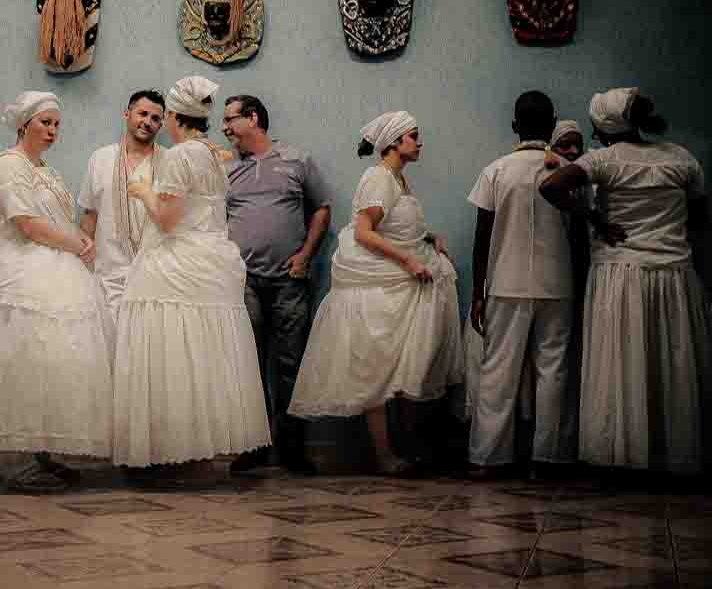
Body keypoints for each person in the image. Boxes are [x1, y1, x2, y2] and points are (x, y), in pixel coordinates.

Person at [0, 92, 113, 490]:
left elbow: (59, 219)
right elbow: (28, 225)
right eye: (44, 123)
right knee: (21, 358)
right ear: (23, 124)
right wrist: (79, 245)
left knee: (53, 361)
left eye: (56, 124)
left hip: (55, 264)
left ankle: (45, 453)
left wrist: (80, 245)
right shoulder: (7, 166)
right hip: (18, 268)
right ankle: (23, 454)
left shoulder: (46, 170)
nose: (52, 131)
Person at [541, 87, 709, 474]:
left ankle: (621, 454)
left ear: (603, 127)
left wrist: (595, 218)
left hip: (620, 273)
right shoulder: (681, 158)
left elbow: (550, 186)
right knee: (670, 364)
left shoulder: (603, 159)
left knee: (624, 361)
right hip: (674, 274)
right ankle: (674, 453)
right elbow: (700, 220)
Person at [288, 112, 462, 475]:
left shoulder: (397, 179)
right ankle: (384, 454)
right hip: (379, 283)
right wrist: (410, 262)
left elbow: (401, 224)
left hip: (396, 281)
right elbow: (366, 232)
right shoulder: (378, 178)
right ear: (396, 142)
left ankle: (406, 448)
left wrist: (430, 239)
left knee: (402, 369)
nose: (419, 142)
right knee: (377, 370)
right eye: (413, 136)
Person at [112, 76, 271, 469]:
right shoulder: (211, 156)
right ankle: (190, 446)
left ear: (173, 118)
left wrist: (145, 190)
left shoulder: (183, 156)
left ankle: (168, 448)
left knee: (168, 350)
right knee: (199, 352)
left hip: (176, 262)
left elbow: (167, 220)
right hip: (210, 260)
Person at [466, 93, 579, 478]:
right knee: (554, 370)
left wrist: (477, 293)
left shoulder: (495, 171)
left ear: (514, 125)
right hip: (557, 283)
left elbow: (482, 238)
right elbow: (579, 236)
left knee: (498, 370)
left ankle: (488, 458)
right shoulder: (568, 170)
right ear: (552, 125)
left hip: (505, 283)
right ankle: (548, 459)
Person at [222, 94, 333, 475]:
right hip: (243, 282)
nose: (225, 127)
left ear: (253, 119)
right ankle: (253, 445)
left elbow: (321, 209)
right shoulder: (226, 169)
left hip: (290, 280)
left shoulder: (296, 160)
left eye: (230, 119)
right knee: (247, 365)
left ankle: (292, 448)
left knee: (291, 363)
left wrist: (305, 256)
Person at [79, 90, 166, 319]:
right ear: (127, 113)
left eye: (155, 118)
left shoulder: (169, 163)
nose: (147, 122)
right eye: (143, 113)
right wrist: (82, 264)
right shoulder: (100, 158)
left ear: (161, 125)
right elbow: (90, 214)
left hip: (154, 274)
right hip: (107, 273)